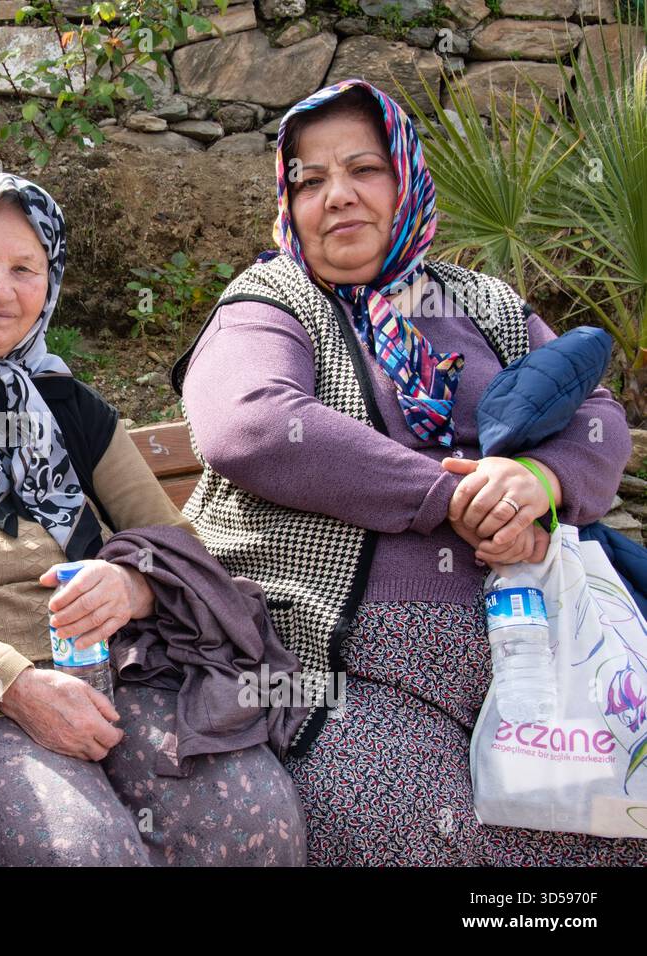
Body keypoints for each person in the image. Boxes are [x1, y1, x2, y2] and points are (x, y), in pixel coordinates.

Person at [174, 79, 647, 865]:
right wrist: (449, 497)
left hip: (547, 652)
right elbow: (249, 421)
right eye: (310, 180)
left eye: (363, 169)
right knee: (419, 834)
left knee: (607, 826)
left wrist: (540, 481)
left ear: (404, 178)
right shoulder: (271, 300)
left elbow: (595, 415)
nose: (338, 197)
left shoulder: (478, 301)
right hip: (343, 666)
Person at [0, 172, 306, 866]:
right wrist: (16, 688)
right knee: (86, 852)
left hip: (113, 669)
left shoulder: (65, 402)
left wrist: (136, 586)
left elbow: (177, 545)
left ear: (49, 283)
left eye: (25, 268)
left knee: (254, 817)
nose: (0, 289)